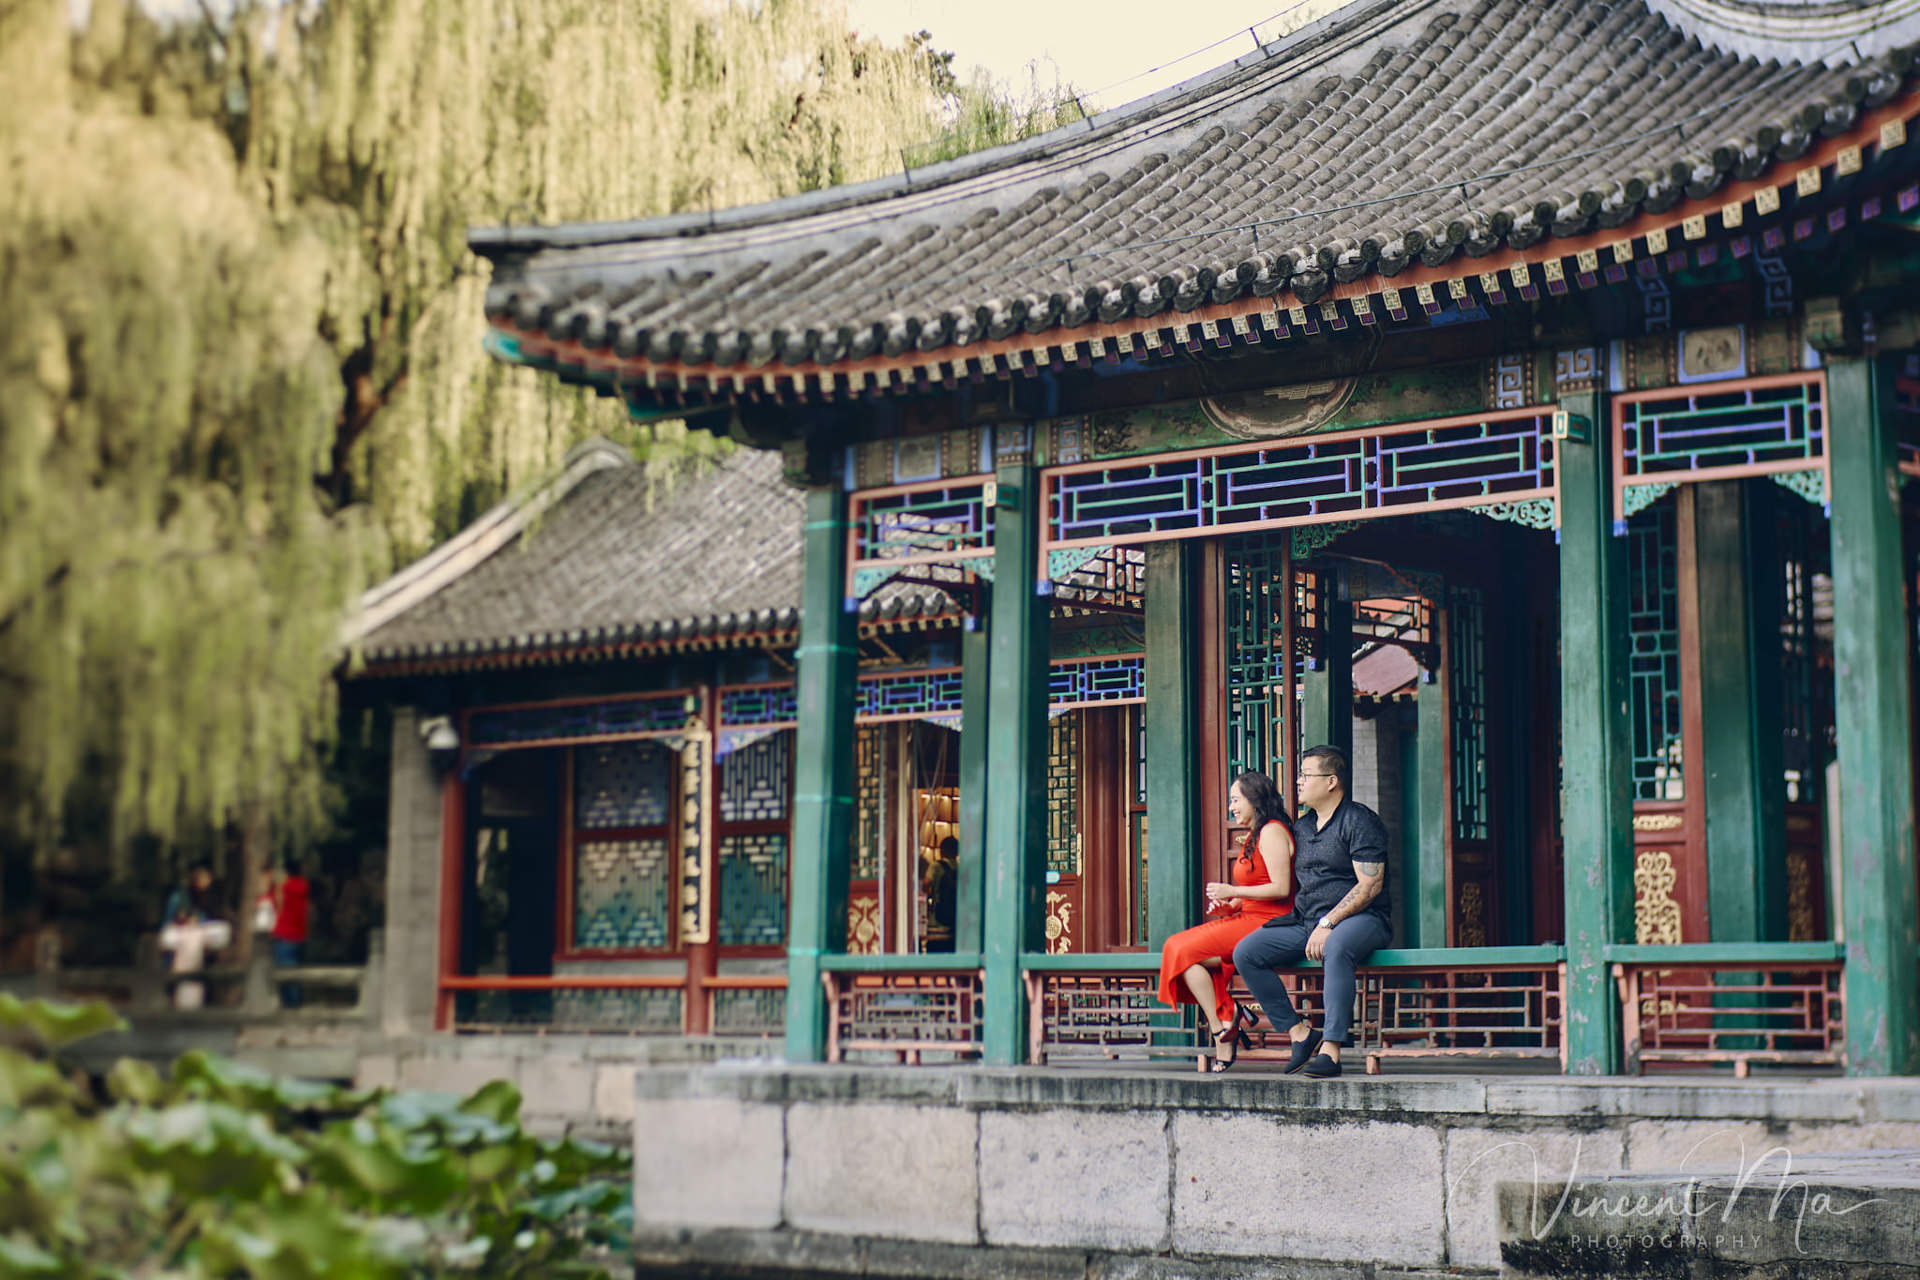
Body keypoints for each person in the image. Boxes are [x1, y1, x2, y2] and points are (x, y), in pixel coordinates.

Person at [1231, 744, 1391, 1079]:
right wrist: (1238, 898)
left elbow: (1369, 886)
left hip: (1363, 920)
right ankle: (1300, 1034)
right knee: (1246, 952)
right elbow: (1282, 880)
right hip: (1306, 921)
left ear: (1331, 781)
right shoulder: (1302, 828)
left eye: (1306, 775)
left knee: (1336, 946)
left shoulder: (1359, 820)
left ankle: (1331, 1051)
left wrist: (1329, 921)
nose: (1299, 782)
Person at [1156, 771, 1294, 1073]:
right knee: (1186, 958)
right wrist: (1231, 904)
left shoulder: (1271, 831)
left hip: (1269, 924)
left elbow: (1282, 888)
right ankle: (1223, 1025)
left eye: (1235, 799)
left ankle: (1225, 1022)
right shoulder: (1256, 834)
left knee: (1178, 947)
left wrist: (1233, 890)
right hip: (1248, 916)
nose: (1231, 807)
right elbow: (1259, 889)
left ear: (1255, 798)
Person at [269, 861, 312, 1008]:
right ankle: (296, 1003)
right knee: (295, 970)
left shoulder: (283, 887)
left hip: (284, 934)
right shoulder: (304, 886)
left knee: (285, 972)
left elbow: (274, 904)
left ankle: (290, 1005)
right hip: (299, 934)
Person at [924, 836, 958, 953]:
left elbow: (926, 884)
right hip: (955, 923)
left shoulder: (936, 866)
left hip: (937, 922)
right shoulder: (961, 868)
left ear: (942, 850)